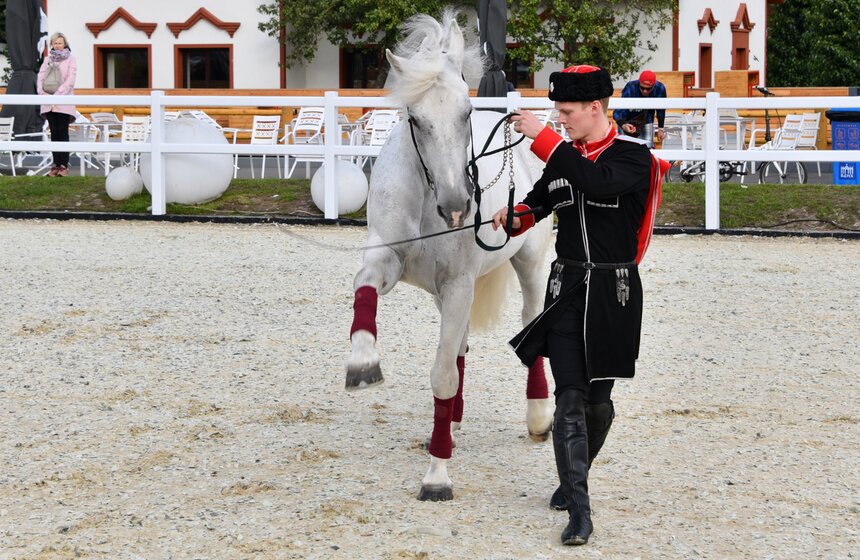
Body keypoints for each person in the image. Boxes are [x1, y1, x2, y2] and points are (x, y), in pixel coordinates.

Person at [492, 65, 668, 546]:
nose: (560, 119)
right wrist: (514, 219)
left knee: (597, 402)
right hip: (566, 288)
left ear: (595, 109)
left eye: (566, 112)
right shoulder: (564, 158)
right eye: (556, 112)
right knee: (568, 396)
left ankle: (573, 478)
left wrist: (545, 137)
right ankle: (580, 511)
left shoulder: (633, 157)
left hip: (614, 294)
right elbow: (540, 202)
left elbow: (596, 182)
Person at [37, 32, 77, 177]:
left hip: (64, 102)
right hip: (49, 103)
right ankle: (55, 165)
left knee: (63, 133)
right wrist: (43, 94)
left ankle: (63, 166)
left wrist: (58, 94)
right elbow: (40, 78)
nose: (57, 45)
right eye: (55, 43)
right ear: (52, 44)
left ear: (64, 44)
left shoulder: (71, 59)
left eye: (60, 42)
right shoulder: (47, 59)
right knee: (54, 133)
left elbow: (71, 80)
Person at [612, 69, 667, 146]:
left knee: (647, 148)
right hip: (627, 121)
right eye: (642, 88)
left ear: (653, 86)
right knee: (624, 149)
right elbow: (618, 111)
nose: (645, 91)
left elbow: (661, 110)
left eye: (648, 89)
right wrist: (623, 124)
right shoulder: (630, 87)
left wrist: (660, 129)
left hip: (646, 120)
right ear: (639, 83)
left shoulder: (660, 88)